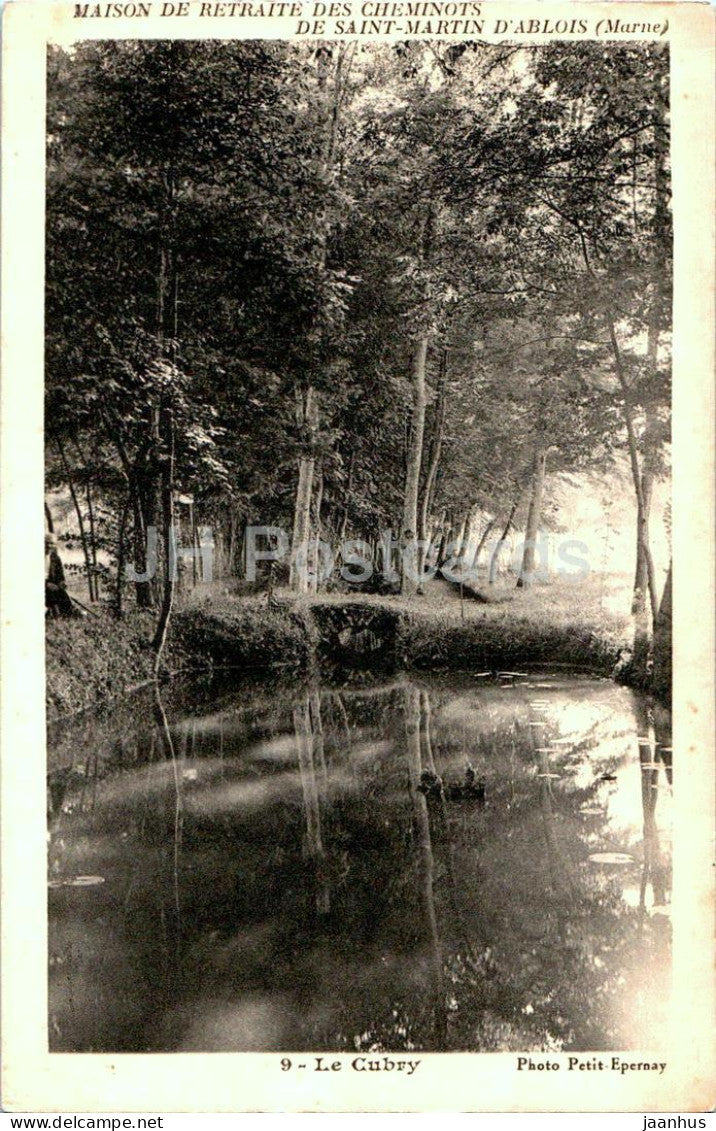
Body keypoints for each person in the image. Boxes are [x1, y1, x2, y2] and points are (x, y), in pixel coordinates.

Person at [45, 532, 77, 617]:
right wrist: (46, 584)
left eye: (51, 543)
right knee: (52, 592)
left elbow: (60, 575)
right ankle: (56, 614)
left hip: (52, 584)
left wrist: (61, 582)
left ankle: (71, 612)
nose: (49, 546)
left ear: (54, 545)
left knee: (63, 594)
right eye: (46, 543)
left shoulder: (55, 558)